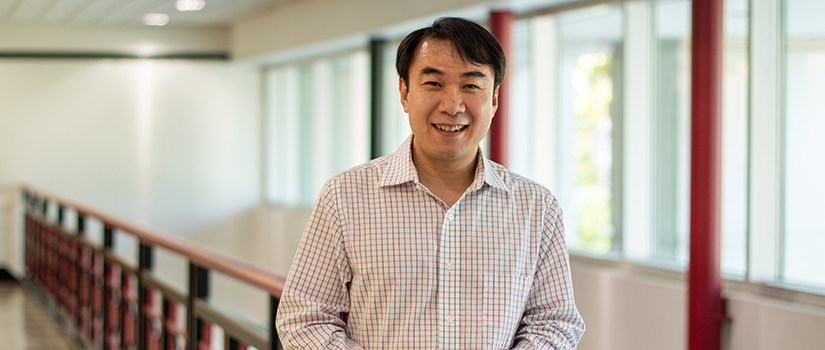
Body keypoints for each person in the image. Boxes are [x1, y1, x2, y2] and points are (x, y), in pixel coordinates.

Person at [276, 17, 585, 349]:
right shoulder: (345, 196)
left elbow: (554, 323)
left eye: (470, 85)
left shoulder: (536, 207)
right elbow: (304, 319)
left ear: (494, 99)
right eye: (434, 84)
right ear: (405, 93)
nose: (452, 106)